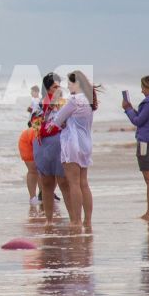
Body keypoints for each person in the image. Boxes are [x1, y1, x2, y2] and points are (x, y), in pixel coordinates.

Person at [48, 70, 97, 227]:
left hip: (72, 143)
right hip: (86, 143)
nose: (68, 86)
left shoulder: (74, 100)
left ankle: (75, 220)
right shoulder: (89, 100)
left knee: (73, 183)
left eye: (69, 83)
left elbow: (57, 119)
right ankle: (87, 220)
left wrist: (57, 123)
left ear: (77, 83)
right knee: (84, 183)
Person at [122, 76, 149, 219]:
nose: (141, 91)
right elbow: (142, 118)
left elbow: (137, 121)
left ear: (148, 87)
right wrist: (131, 109)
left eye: (142, 88)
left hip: (145, 143)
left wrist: (128, 109)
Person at [33, 73, 65, 220]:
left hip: (62, 144)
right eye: (54, 87)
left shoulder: (65, 103)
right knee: (46, 183)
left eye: (59, 86)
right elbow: (34, 124)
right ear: (47, 89)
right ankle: (49, 220)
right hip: (44, 145)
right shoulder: (41, 103)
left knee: (64, 183)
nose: (58, 89)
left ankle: (74, 219)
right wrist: (49, 108)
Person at [17, 109, 40, 203]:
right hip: (26, 142)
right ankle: (33, 197)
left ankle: (46, 194)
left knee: (47, 171)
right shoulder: (33, 130)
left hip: (41, 140)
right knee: (33, 170)